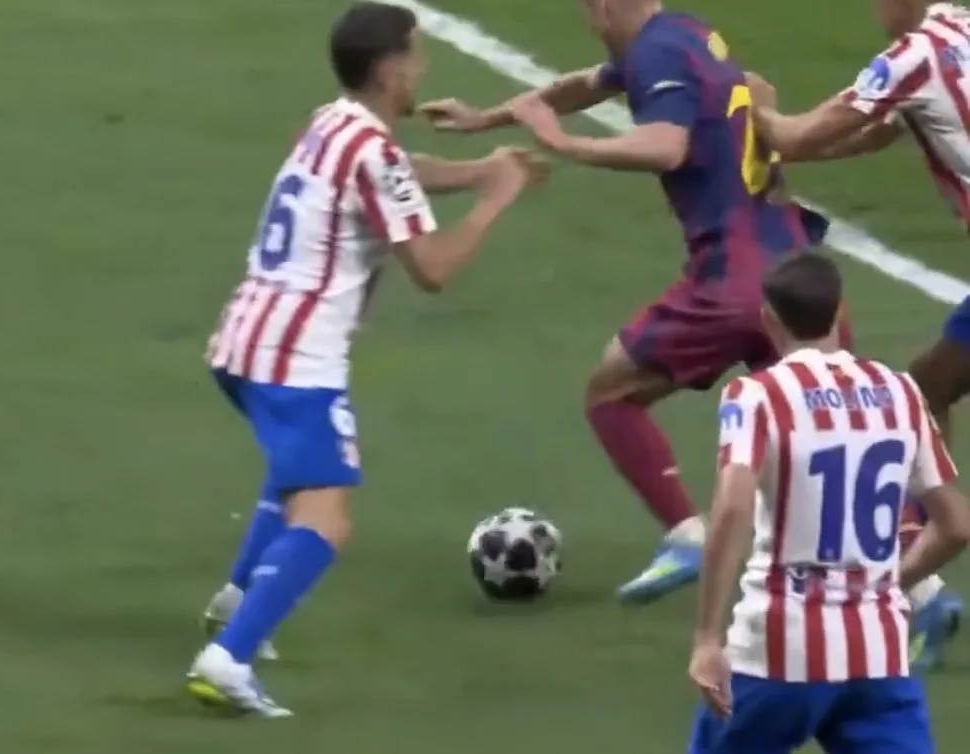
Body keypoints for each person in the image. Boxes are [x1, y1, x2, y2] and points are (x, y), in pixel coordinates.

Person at [188, 1, 546, 717]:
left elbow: (397, 175)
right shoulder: (372, 151)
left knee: (297, 477)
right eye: (415, 56)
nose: (422, 68)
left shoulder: (333, 123)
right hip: (295, 356)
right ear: (388, 69)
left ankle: (237, 600)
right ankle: (228, 659)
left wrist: (477, 170)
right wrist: (495, 199)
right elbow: (432, 268)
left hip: (243, 339)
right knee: (327, 518)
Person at [419, 0, 832, 603]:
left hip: (731, 278)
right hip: (795, 264)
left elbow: (665, 147)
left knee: (610, 393)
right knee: (823, 432)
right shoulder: (681, 33)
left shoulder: (656, 52)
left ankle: (687, 535)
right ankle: (919, 589)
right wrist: (489, 118)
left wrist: (563, 143)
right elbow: (587, 84)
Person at [750, 0, 966, 670]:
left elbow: (800, 134)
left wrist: (756, 109)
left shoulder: (914, 55)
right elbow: (877, 132)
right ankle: (917, 565)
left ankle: (906, 575)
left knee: (923, 392)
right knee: (926, 388)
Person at [686, 252, 970, 753]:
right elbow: (956, 525)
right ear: (842, 311)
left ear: (768, 320)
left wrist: (707, 637)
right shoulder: (901, 392)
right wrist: (891, 583)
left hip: (778, 651)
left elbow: (732, 508)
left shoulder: (756, 396)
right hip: (877, 653)